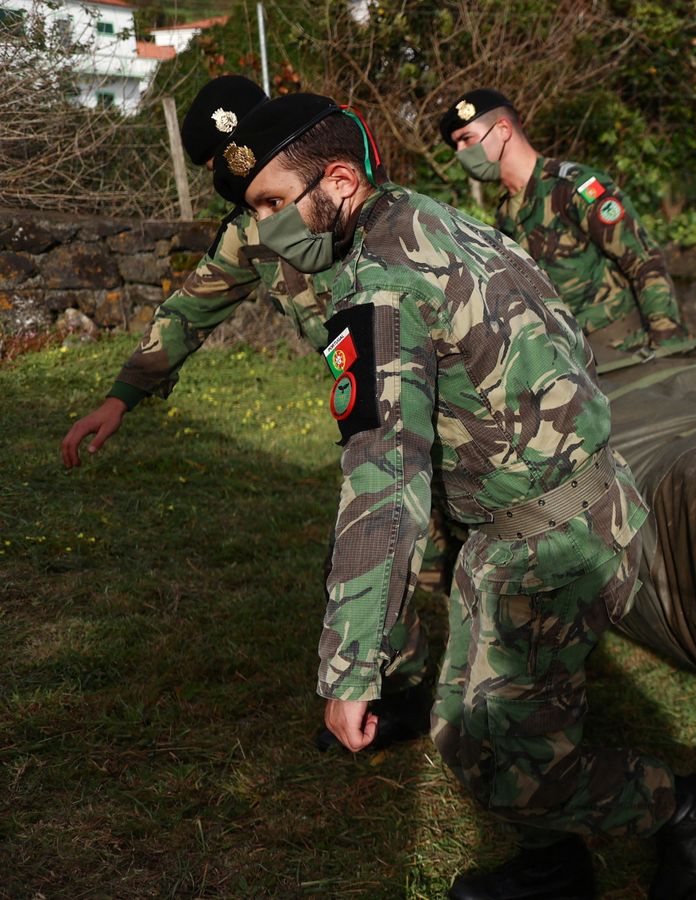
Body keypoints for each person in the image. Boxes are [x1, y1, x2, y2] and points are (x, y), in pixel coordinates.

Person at [215, 92, 696, 900]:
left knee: (495, 753)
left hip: (549, 540)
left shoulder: (378, 284)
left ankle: (686, 809)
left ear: (340, 180)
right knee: (482, 729)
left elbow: (382, 480)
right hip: (565, 509)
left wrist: (351, 668)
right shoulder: (431, 217)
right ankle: (556, 865)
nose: (265, 230)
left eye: (274, 204)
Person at [57, 75, 434, 755]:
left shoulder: (353, 203)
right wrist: (122, 395)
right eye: (226, 170)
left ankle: (489, 693)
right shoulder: (251, 236)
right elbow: (190, 309)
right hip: (372, 405)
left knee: (401, 540)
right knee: (370, 542)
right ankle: (400, 693)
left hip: (432, 394)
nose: (245, 181)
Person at [439, 89, 682, 353]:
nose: (460, 152)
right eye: (456, 145)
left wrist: (666, 344)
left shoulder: (573, 187)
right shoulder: (505, 216)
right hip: (572, 366)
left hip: (625, 349)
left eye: (466, 139)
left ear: (503, 129)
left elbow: (644, 261)